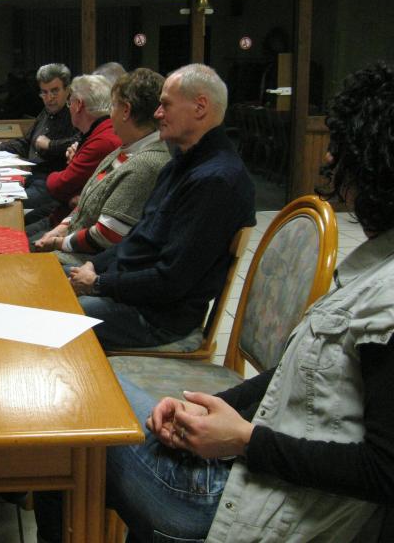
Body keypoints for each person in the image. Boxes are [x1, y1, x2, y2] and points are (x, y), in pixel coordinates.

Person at [36, 61, 394, 543]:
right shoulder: (373, 271)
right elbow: (292, 378)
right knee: (84, 384)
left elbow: (384, 470)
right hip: (254, 465)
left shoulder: (385, 296)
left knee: (68, 407)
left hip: (237, 497)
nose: (329, 158)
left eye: (341, 148)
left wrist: (244, 440)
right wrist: (215, 408)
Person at [69, 64, 255, 350]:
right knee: (47, 290)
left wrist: (98, 283)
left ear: (200, 107)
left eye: (166, 105)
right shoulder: (183, 163)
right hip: (134, 296)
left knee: (55, 317)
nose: (157, 114)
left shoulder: (216, 181)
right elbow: (138, 239)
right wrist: (96, 265)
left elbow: (171, 281)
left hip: (156, 319)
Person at [33, 69, 171, 265]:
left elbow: (108, 235)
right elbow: (84, 205)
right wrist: (60, 229)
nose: (109, 114)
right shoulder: (125, 149)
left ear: (126, 111)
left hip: (86, 262)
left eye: (113, 105)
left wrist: (58, 242)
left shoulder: (146, 164)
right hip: (73, 248)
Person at [0, 63, 78, 209]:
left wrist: (50, 145)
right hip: (31, 178)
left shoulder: (75, 114)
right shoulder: (46, 112)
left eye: (55, 91)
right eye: (44, 92)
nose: (49, 98)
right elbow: (26, 143)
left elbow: (79, 142)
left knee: (2, 203)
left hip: (52, 185)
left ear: (67, 90)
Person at [26, 74, 121, 229]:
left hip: (73, 221)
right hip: (66, 210)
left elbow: (59, 186)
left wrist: (69, 165)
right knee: (23, 221)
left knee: (15, 233)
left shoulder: (102, 140)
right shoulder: (97, 131)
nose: (69, 108)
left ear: (78, 105)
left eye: (69, 103)